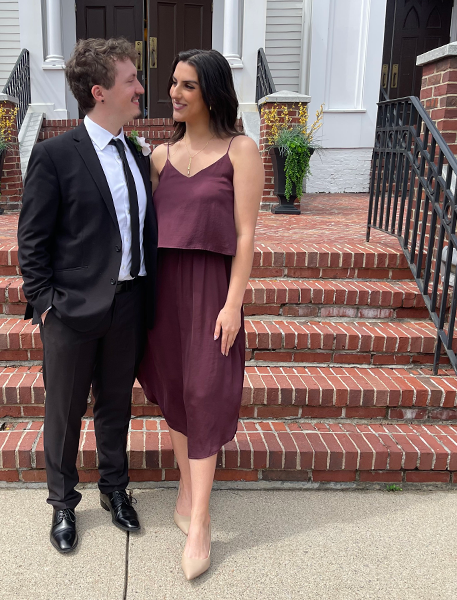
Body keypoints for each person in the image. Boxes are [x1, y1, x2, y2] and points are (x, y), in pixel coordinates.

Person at [18, 38, 157, 554]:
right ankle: (61, 503)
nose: (140, 88)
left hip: (128, 304)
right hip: (71, 310)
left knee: (115, 406)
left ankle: (115, 491)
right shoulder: (54, 156)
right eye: (130, 81)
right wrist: (46, 302)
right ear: (100, 92)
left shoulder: (137, 153)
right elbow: (32, 239)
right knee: (65, 410)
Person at [136, 49, 262, 580]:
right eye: (172, 84)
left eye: (187, 85)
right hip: (164, 294)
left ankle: (201, 522)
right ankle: (188, 490)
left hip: (212, 292)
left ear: (211, 90)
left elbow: (246, 234)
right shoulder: (161, 158)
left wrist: (234, 303)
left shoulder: (241, 150)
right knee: (178, 391)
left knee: (207, 393)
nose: (175, 93)